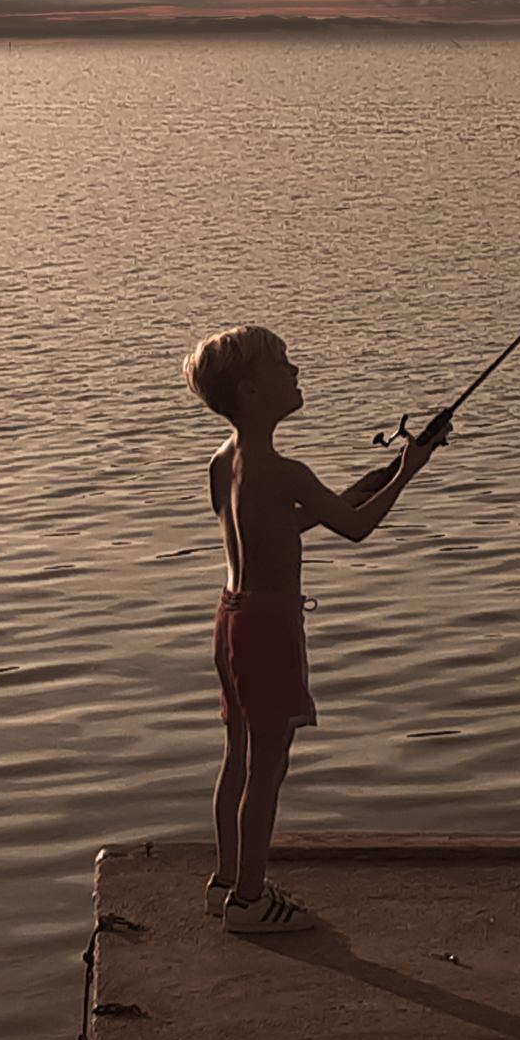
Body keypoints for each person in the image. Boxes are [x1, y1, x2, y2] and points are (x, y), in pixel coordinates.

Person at [181, 325, 448, 934]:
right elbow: (355, 529)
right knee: (269, 767)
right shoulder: (287, 470)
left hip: (231, 620)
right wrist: (408, 473)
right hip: (272, 629)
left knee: (238, 755)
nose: (296, 370)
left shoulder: (224, 464)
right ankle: (250, 902)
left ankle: (225, 880)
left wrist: (376, 477)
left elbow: (289, 524)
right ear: (252, 390)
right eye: (283, 364)